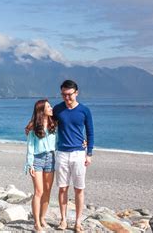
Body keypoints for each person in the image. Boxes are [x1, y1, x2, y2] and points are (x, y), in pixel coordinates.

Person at [54, 80, 94, 232]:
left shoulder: (84, 110)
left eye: (69, 94)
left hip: (79, 154)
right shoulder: (57, 109)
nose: (67, 98)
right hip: (62, 153)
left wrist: (89, 153)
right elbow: (45, 122)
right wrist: (30, 129)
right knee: (63, 189)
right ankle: (63, 220)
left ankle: (78, 222)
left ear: (76, 93)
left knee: (79, 189)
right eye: (64, 95)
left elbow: (90, 132)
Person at [24, 99, 57, 232]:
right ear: (41, 110)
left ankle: (43, 218)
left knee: (47, 191)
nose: (51, 108)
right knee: (39, 191)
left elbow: (63, 138)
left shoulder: (54, 124)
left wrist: (82, 141)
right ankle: (36, 223)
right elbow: (30, 147)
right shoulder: (33, 128)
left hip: (51, 158)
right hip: (37, 159)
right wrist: (30, 164)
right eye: (48, 106)